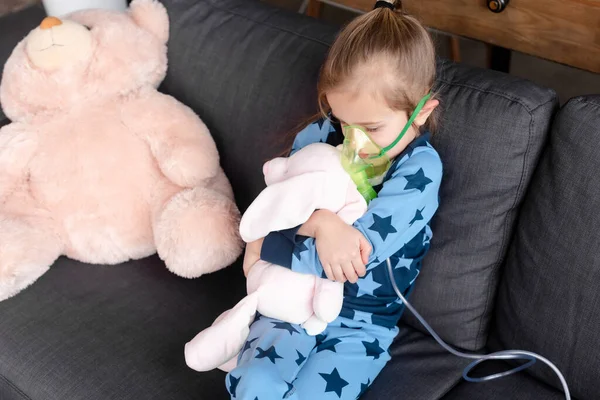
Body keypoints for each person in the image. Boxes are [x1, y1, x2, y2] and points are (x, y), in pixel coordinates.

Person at [228, 1, 443, 398]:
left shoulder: (419, 173)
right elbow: (275, 207)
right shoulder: (319, 137)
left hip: (360, 326)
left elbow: (350, 259)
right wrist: (321, 223)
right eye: (346, 123)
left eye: (372, 127)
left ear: (421, 113)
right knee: (254, 384)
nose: (355, 143)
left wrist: (265, 245)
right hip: (290, 305)